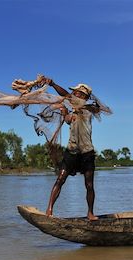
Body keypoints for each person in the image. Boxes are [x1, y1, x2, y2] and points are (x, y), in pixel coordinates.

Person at [44, 78, 100, 221]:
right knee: (60, 179)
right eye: (74, 92)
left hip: (87, 153)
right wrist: (63, 112)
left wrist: (52, 84)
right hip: (72, 152)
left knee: (89, 184)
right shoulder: (75, 110)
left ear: (83, 96)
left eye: (77, 92)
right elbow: (69, 120)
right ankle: (49, 210)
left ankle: (90, 213)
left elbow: (67, 96)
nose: (73, 93)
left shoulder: (88, 108)